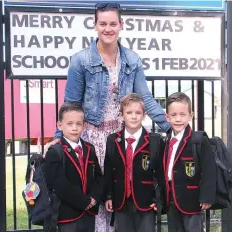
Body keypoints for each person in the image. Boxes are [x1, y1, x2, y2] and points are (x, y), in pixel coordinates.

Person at [50, 3, 170, 232]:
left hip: (119, 139)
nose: (108, 28)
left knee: (119, 196)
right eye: (103, 23)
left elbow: (145, 99)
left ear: (121, 25)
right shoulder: (81, 60)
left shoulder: (132, 60)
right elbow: (71, 103)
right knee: (95, 198)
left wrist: (170, 126)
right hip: (92, 138)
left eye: (113, 23)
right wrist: (59, 136)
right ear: (95, 25)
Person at [104, 93, 165, 232]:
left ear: (144, 115)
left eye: (138, 113)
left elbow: (160, 173)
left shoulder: (154, 141)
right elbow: (108, 170)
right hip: (121, 199)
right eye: (129, 112)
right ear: (121, 115)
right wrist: (108, 196)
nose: (133, 116)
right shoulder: (113, 140)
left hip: (146, 200)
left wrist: (158, 200)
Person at [45, 102, 104, 232]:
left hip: (88, 214)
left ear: (84, 125)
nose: (74, 128)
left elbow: (98, 178)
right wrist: (84, 201)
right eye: (70, 123)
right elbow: (60, 185)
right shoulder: (55, 152)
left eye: (78, 124)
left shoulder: (89, 148)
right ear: (60, 125)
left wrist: (94, 198)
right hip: (67, 216)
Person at [163, 92, 216, 232]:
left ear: (190, 116)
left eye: (182, 114)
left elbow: (209, 170)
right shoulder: (166, 140)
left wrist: (207, 197)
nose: (178, 119)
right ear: (167, 117)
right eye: (173, 115)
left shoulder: (198, 140)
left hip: (192, 199)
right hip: (172, 199)